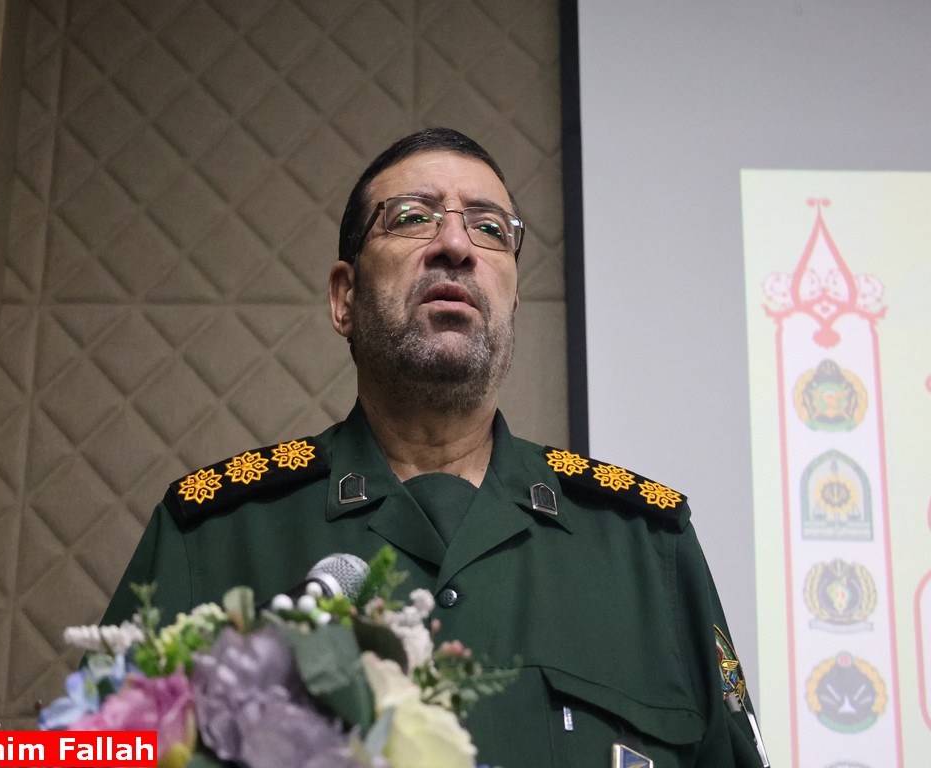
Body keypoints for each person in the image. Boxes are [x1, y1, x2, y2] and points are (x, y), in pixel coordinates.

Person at [102, 127, 768, 767]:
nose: (455, 244)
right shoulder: (213, 534)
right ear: (344, 298)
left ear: (512, 303)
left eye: (490, 228)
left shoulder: (648, 547)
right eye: (412, 218)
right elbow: (84, 752)